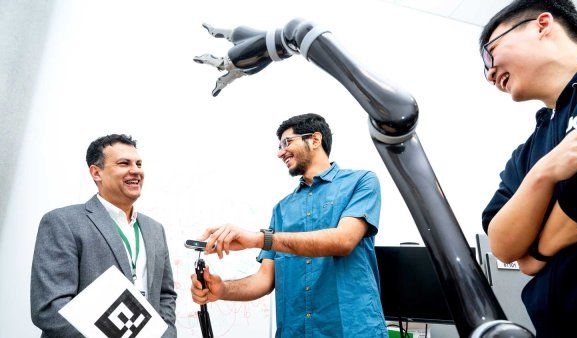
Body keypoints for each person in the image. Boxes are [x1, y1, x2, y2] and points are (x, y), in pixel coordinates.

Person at [190, 113, 387, 337]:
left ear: (314, 140)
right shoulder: (282, 209)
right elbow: (264, 279)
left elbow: (344, 241)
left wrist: (257, 239)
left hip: (352, 331)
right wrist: (222, 289)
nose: (280, 152)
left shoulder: (361, 182)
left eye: (287, 142)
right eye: (279, 145)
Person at [479, 0, 577, 336]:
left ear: (542, 24)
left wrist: (536, 252)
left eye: (490, 54)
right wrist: (545, 172)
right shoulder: (528, 152)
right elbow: (503, 242)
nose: (489, 74)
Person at [30, 134, 177, 337]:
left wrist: (167, 333)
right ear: (96, 172)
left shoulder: (155, 229)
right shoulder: (63, 222)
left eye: (139, 163)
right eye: (124, 163)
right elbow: (50, 309)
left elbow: (165, 294)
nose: (136, 170)